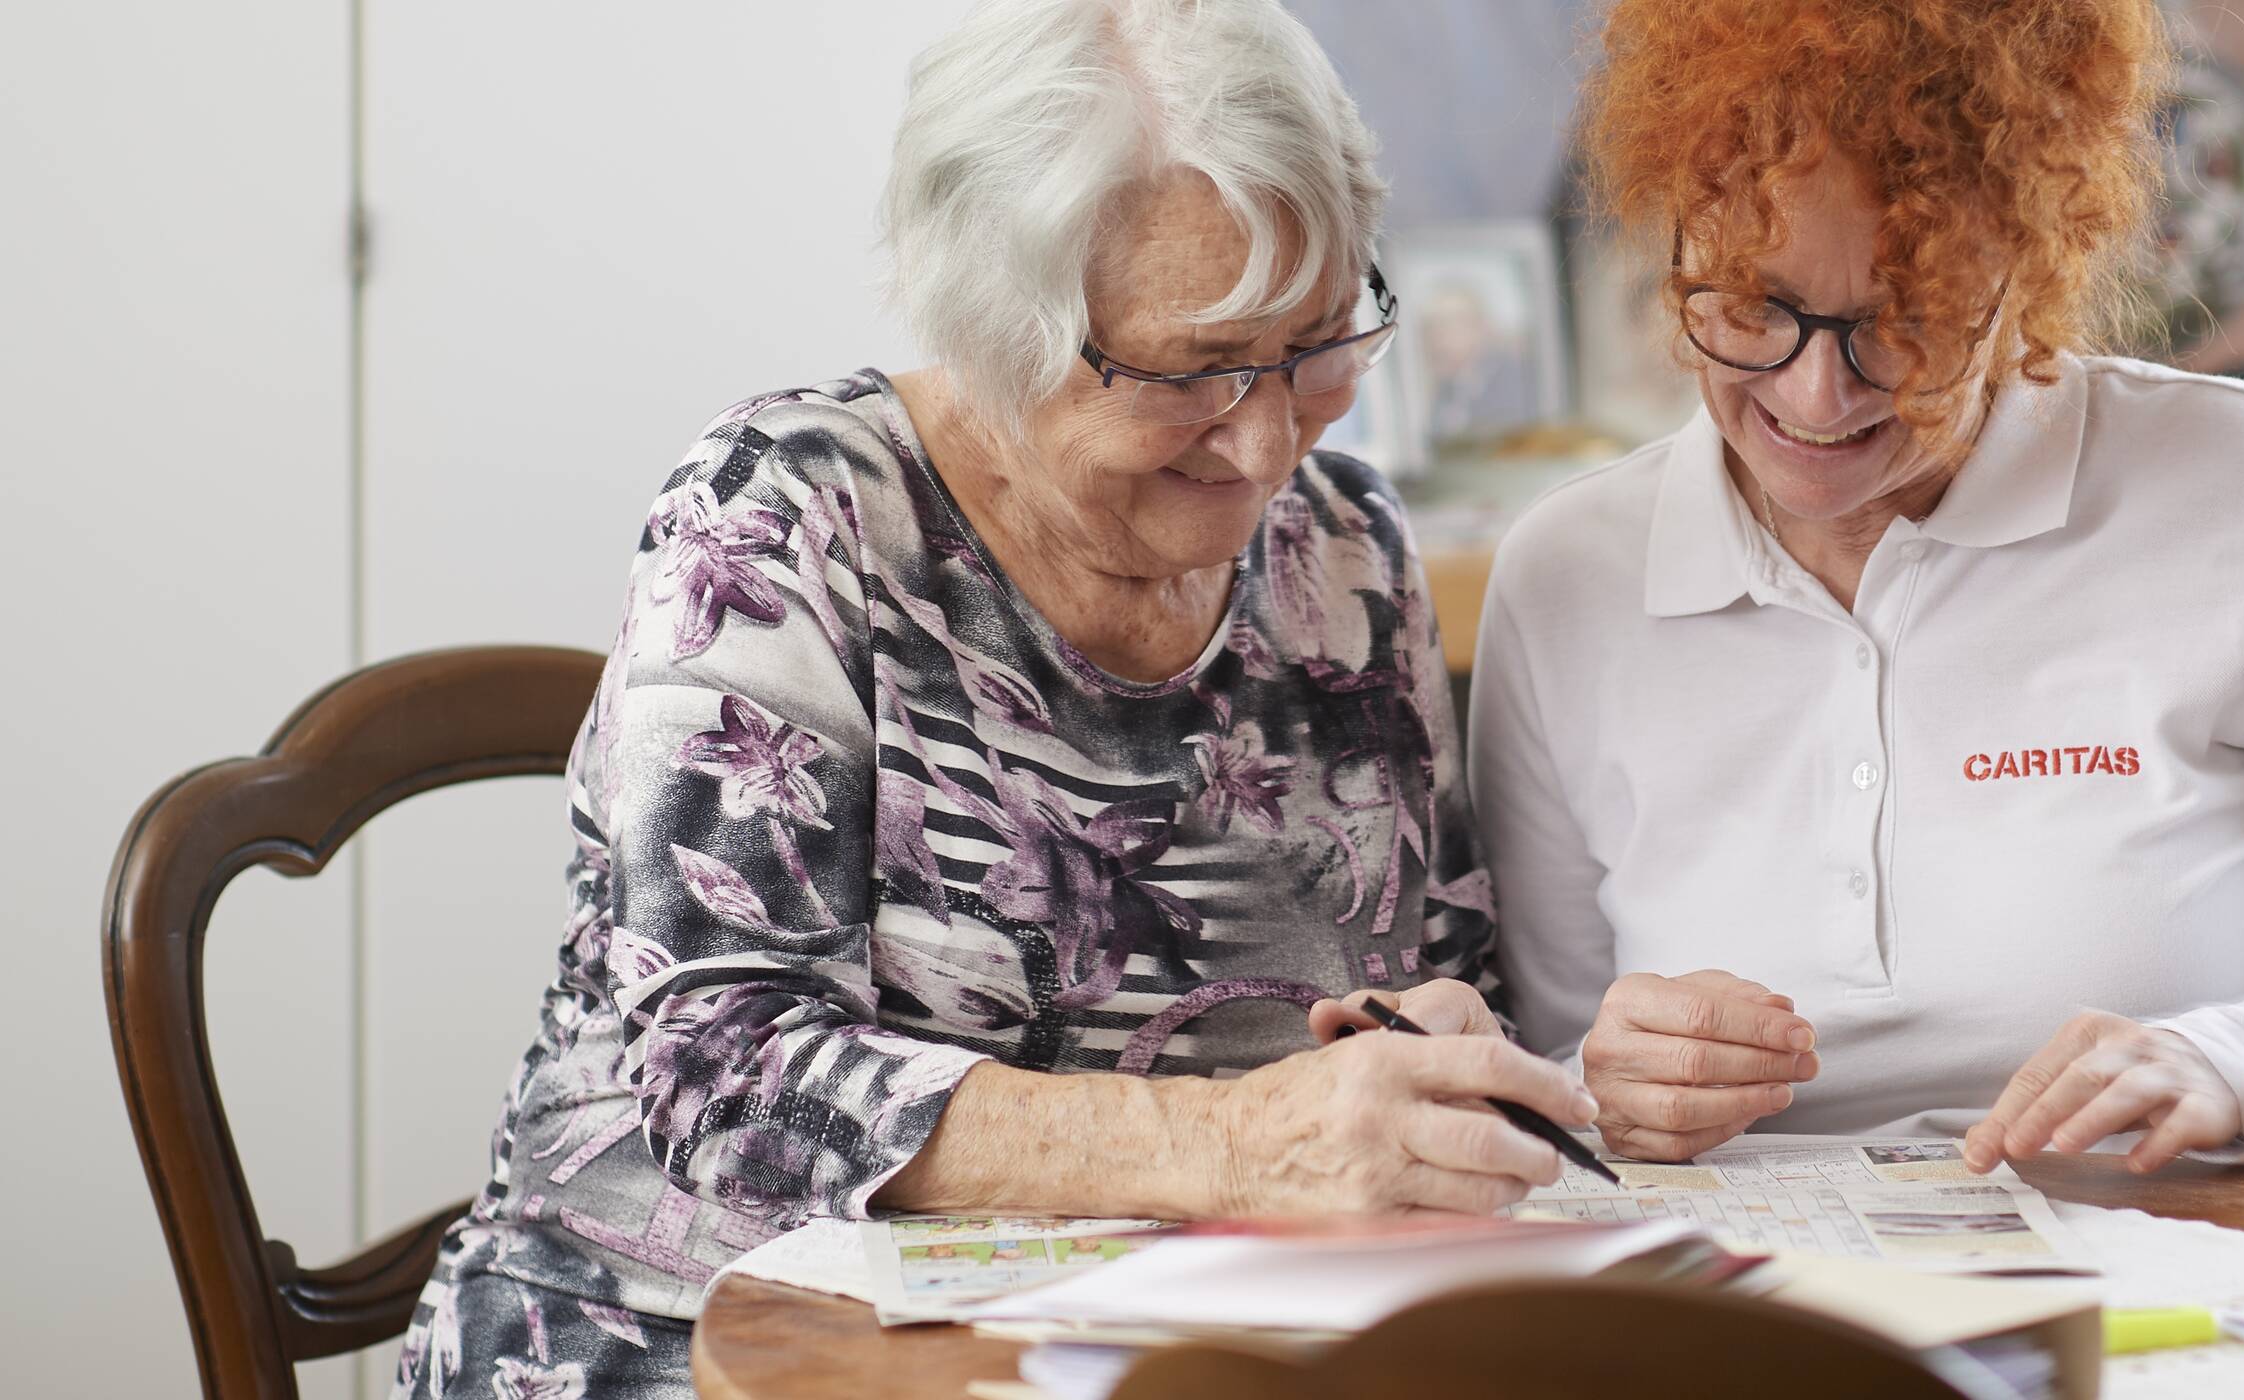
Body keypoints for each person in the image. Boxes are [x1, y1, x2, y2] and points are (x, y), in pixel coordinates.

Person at [392, 2, 1593, 1394]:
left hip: (1166, 1352)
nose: (1266, 442)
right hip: (689, 1345)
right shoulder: (787, 521)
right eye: (1192, 370)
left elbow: (1442, 979)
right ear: (993, 325)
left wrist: (1450, 1060)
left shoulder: (1347, 555)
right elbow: (726, 1087)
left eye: (1318, 342)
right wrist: (1234, 1145)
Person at [1475, 0, 2244, 1183]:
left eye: (1902, 322)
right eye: (1752, 308)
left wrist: (2234, 1066)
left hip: (2220, 1292)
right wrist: (1608, 1087)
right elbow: (1553, 1070)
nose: (1813, 396)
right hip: (1796, 1316)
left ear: (2026, 273)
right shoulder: (1566, 580)